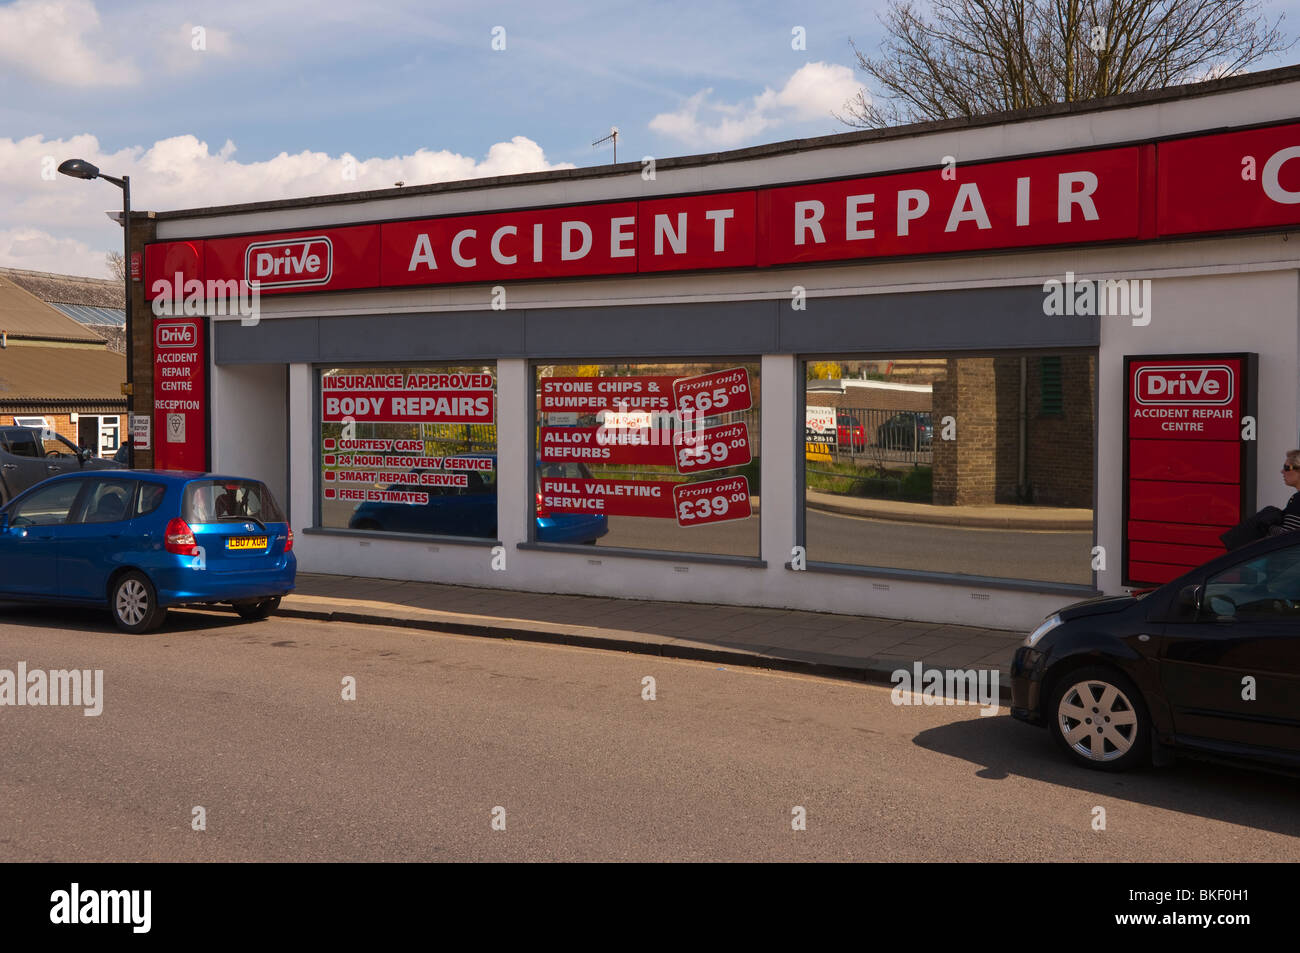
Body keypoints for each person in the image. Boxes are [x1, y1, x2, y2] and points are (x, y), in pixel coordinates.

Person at [1273, 450, 1300, 534]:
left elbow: (1287, 537)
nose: (1282, 471)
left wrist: (1265, 526)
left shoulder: (1297, 499)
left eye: (1286, 468)